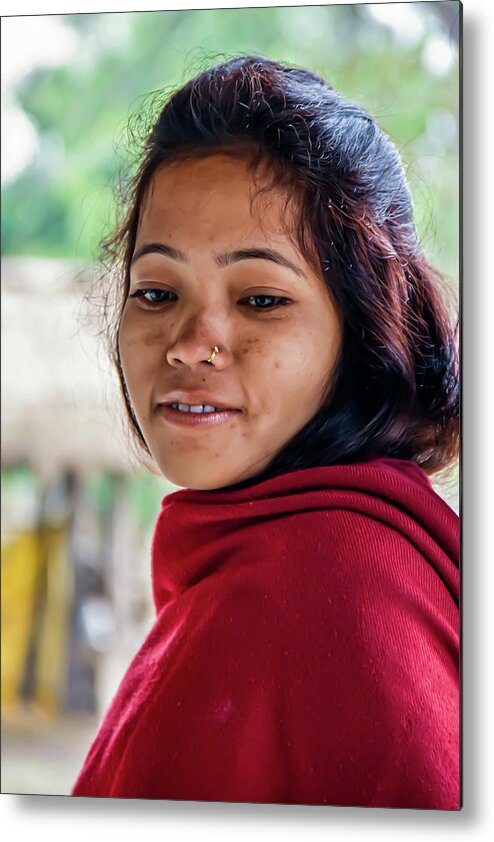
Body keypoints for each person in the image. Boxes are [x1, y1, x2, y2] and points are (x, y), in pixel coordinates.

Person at [71, 56, 459, 809]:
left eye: (259, 299)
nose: (189, 341)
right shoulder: (266, 561)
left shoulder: (321, 590)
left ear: (365, 333)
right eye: (156, 291)